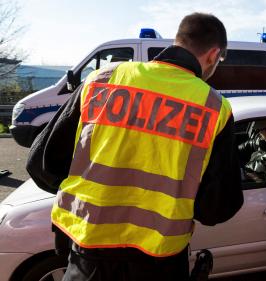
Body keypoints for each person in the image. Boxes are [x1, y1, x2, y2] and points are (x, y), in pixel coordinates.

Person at [26, 13, 243, 281]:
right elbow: (218, 207)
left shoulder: (103, 79)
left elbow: (40, 164)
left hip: (89, 254)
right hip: (160, 262)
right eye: (219, 61)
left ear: (178, 41)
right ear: (213, 54)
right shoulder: (213, 107)